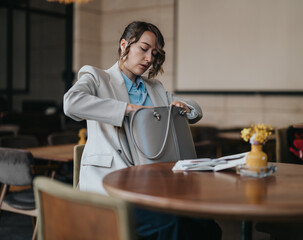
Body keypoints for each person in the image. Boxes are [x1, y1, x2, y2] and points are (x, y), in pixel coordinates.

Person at [64, 21, 221, 240]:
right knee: (172, 224)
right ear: (124, 45)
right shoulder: (97, 78)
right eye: (144, 49)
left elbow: (195, 110)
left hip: (153, 187)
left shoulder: (154, 88)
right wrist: (127, 109)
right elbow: (71, 103)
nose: (149, 59)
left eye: (154, 54)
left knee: (204, 222)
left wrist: (185, 107)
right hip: (111, 187)